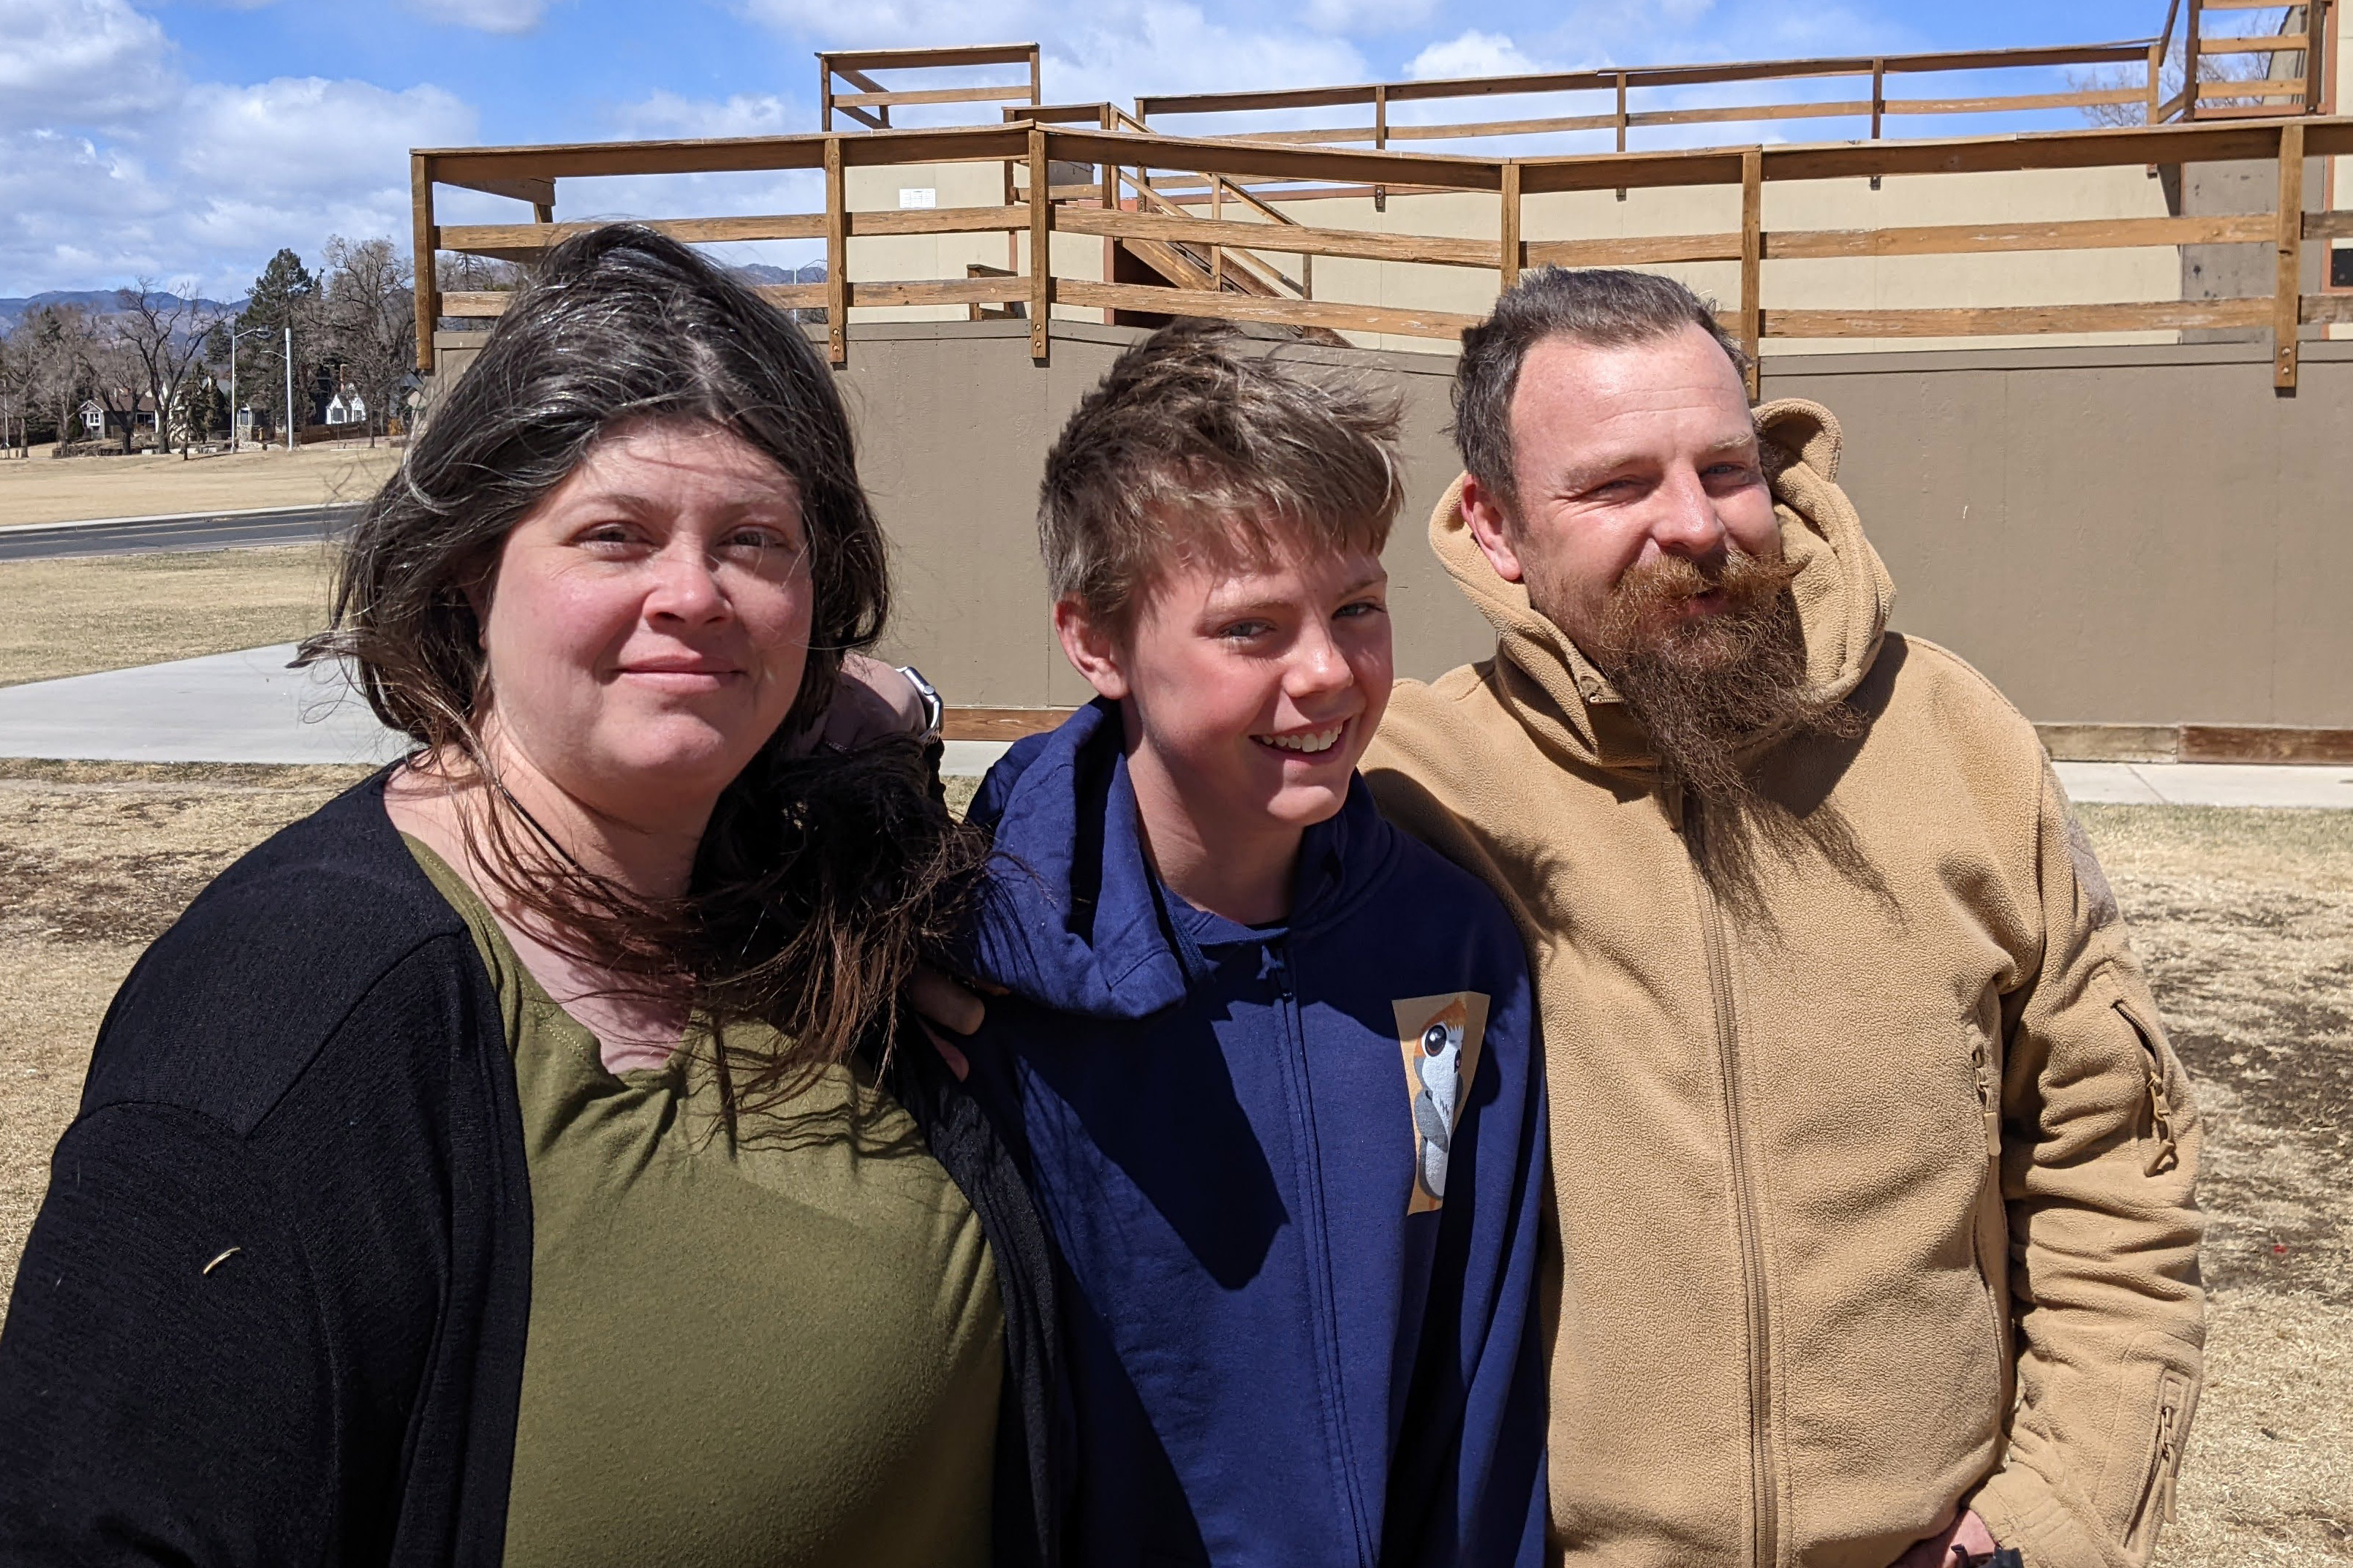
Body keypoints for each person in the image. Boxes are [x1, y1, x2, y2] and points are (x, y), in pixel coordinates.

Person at [0, 226, 1062, 1568]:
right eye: (614, 535)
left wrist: (882, 747)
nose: (695, 594)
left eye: (754, 541)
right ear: (468, 566)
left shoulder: (807, 896)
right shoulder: (296, 1017)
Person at [1357, 268, 2205, 1567]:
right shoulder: (1407, 787)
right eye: (1617, 485)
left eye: (1725, 465)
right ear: (1494, 525)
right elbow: (1136, 805)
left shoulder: (1958, 741)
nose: (1695, 525)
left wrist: (2046, 1519)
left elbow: (2109, 1156)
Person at [947, 322, 1549, 1567]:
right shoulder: (969, 977)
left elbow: (1472, 1364)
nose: (1327, 673)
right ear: (1096, 643)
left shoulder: (1451, 958)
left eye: (1357, 607)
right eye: (1250, 629)